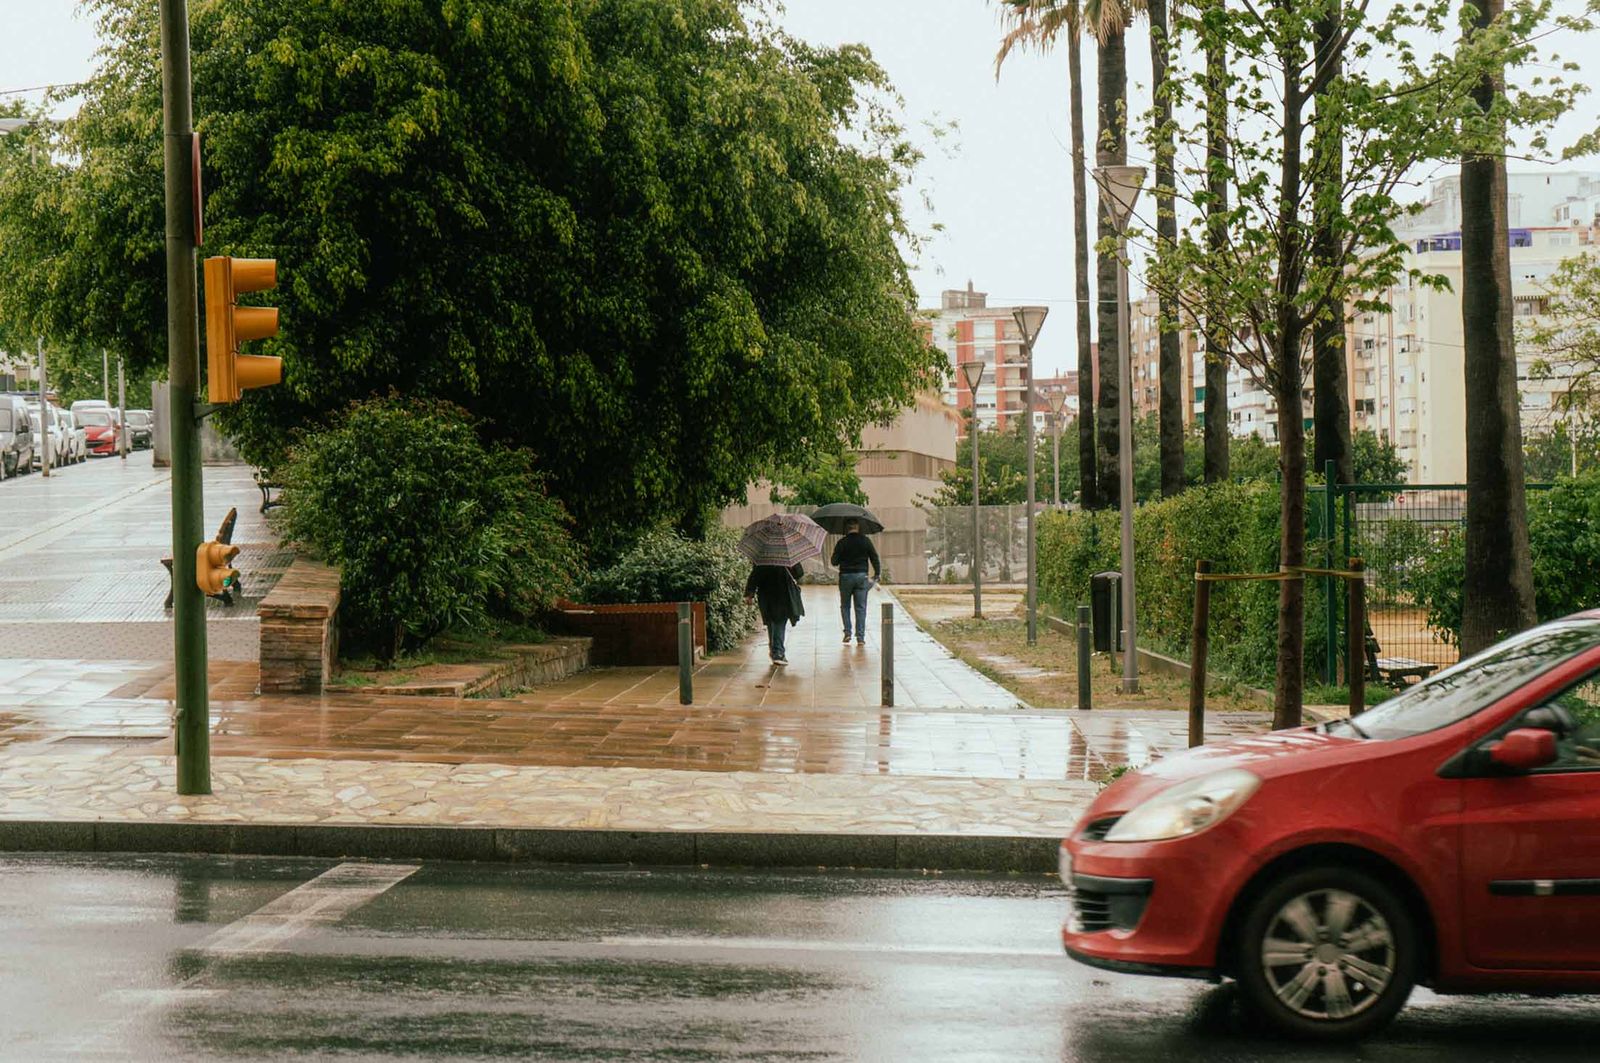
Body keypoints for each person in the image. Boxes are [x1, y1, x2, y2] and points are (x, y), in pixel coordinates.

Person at [830, 518, 881, 645]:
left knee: (845, 606)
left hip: (846, 577)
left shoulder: (842, 542)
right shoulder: (865, 541)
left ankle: (847, 632)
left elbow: (834, 561)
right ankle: (861, 637)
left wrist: (842, 556)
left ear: (847, 528)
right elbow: (874, 557)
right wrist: (877, 574)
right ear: (857, 527)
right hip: (861, 577)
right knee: (861, 607)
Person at [744, 562, 805, 664]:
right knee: (779, 621)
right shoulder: (786, 555)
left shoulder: (763, 557)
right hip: (783, 593)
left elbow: (755, 575)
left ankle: (774, 650)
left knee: (772, 621)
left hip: (766, 594)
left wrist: (750, 593)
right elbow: (799, 573)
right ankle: (778, 653)